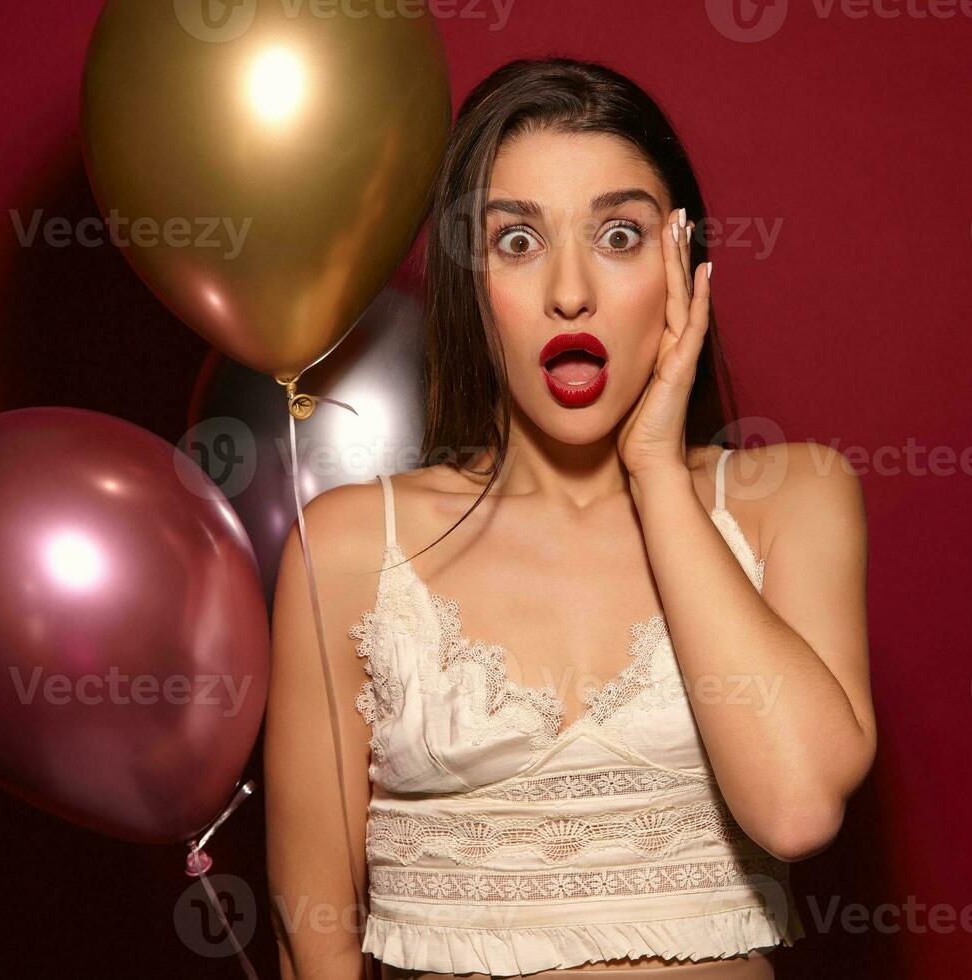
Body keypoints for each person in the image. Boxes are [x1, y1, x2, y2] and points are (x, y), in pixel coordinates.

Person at [266, 57, 875, 980]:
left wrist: (658, 474)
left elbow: (796, 808)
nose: (570, 291)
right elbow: (313, 938)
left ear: (685, 264)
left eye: (620, 234)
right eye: (517, 241)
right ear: (470, 281)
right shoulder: (350, 544)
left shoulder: (793, 500)